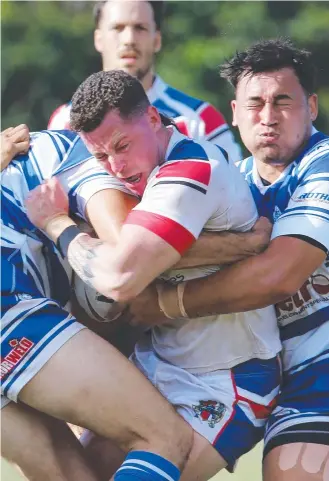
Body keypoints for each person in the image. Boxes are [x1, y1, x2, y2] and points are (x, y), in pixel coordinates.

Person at [26, 69, 282, 481]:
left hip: (227, 381)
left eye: (122, 145)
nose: (116, 166)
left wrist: (56, 223)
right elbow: (142, 247)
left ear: (152, 119)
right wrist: (240, 244)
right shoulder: (139, 172)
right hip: (155, 363)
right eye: (100, 157)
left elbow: (117, 276)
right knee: (76, 472)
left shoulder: (189, 171)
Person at [126, 39, 329, 481]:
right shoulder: (230, 181)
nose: (268, 117)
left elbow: (279, 275)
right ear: (234, 112)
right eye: (255, 104)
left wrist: (165, 303)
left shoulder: (325, 165)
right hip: (254, 375)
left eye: (284, 102)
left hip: (320, 382)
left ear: (311, 107)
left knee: (294, 472)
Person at [1, 128, 194, 481]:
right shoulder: (61, 151)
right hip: (8, 308)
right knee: (164, 438)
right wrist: (235, 244)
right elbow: (128, 248)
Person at [48, 0, 242, 162]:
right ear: (98, 39)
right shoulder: (65, 121)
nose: (129, 39)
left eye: (140, 28)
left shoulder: (200, 120)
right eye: (118, 28)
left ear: (157, 39)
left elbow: (234, 195)